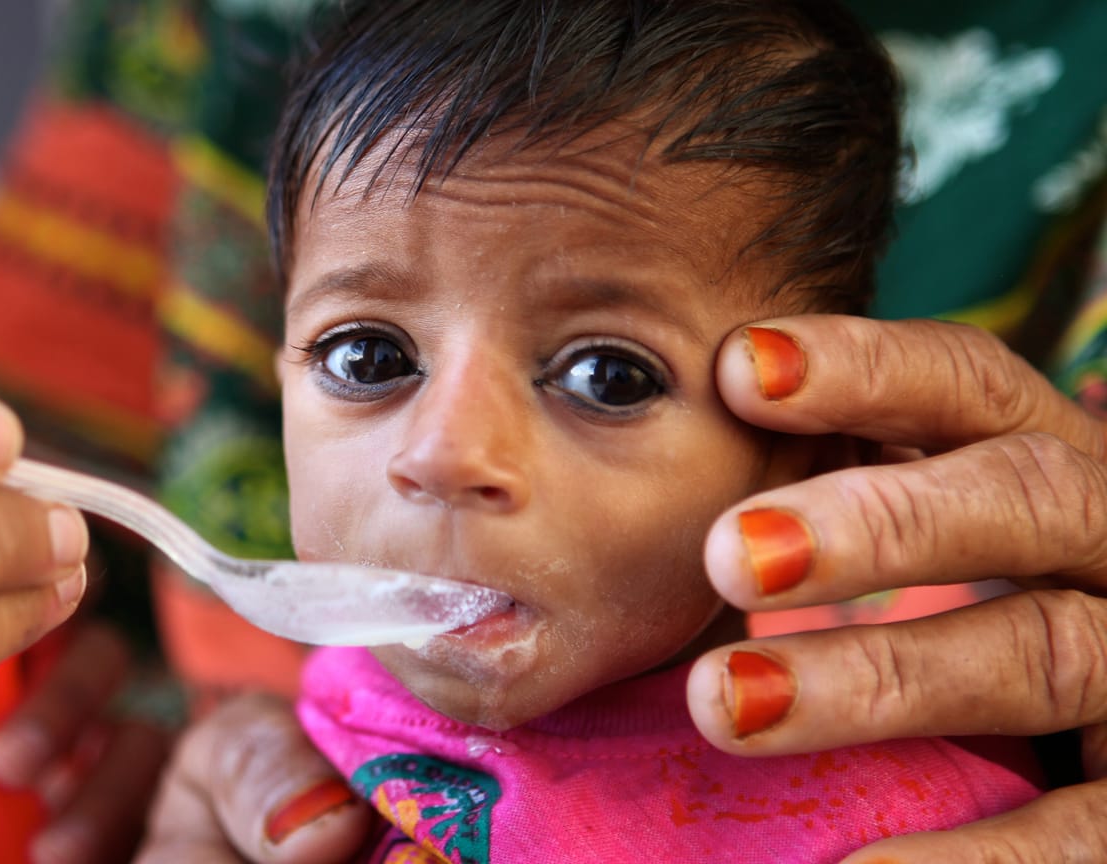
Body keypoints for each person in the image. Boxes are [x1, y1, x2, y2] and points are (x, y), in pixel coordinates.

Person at [161, 0, 1038, 859]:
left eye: (606, 378)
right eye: (368, 358)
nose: (444, 455)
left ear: (806, 463)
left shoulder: (913, 828)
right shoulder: (300, 745)